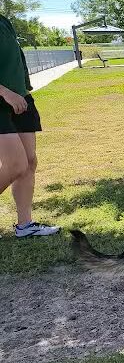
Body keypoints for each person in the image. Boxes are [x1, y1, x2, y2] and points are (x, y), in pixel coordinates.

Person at [0, 14, 59, 238]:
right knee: (15, 164)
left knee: (29, 162)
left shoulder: (4, 21)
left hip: (20, 98)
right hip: (2, 100)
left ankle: (24, 225)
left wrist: (22, 89)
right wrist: (5, 92)